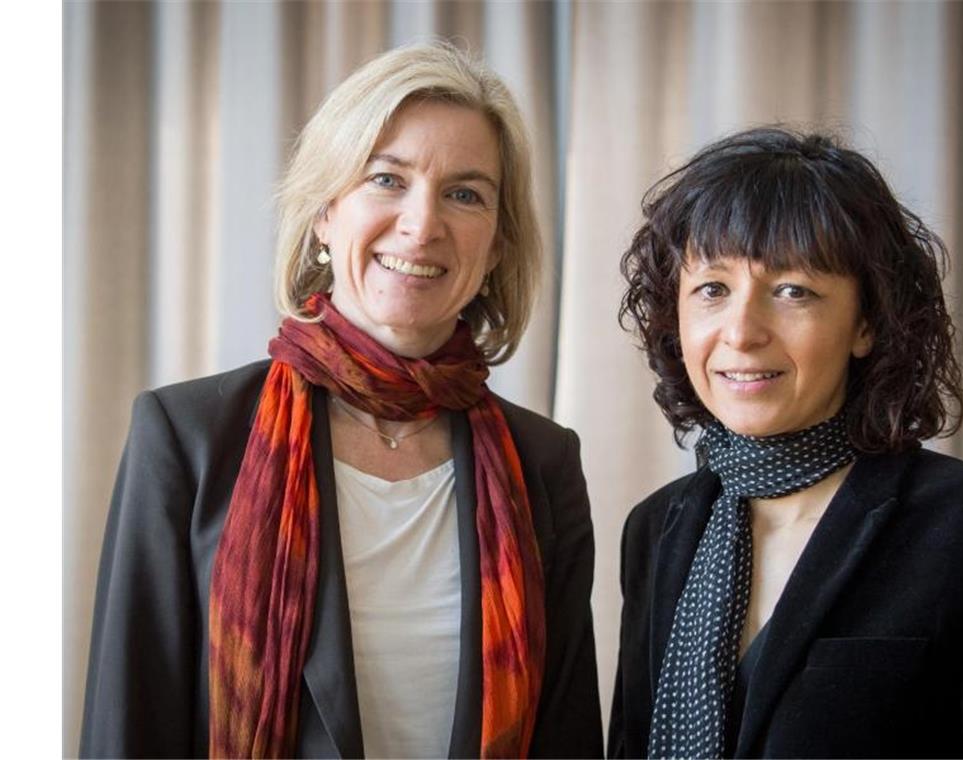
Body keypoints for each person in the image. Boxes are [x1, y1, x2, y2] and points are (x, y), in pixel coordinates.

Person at [80, 42, 603, 759]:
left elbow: (566, 738)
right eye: (387, 179)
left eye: (465, 193)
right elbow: (128, 726)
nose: (422, 225)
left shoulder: (543, 462)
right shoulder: (186, 437)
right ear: (326, 212)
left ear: (498, 244)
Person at [608, 127, 963, 759]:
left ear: (866, 322)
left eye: (792, 291)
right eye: (712, 289)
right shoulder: (654, 529)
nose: (741, 332)